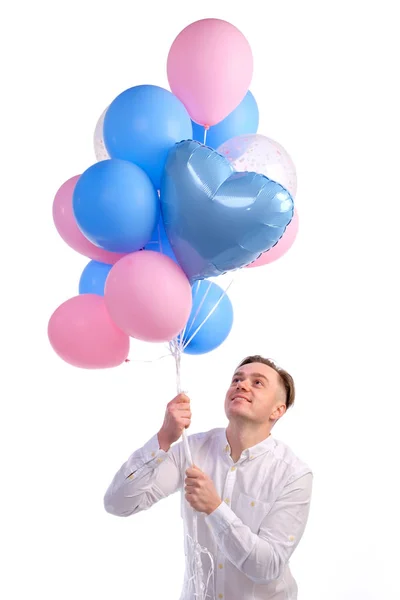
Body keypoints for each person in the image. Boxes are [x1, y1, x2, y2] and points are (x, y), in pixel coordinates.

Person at [104, 355, 313, 599]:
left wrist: (215, 508)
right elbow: (118, 503)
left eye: (257, 383)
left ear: (278, 410)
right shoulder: (192, 450)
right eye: (237, 379)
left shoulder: (294, 475)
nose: (241, 385)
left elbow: (267, 567)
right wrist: (163, 438)